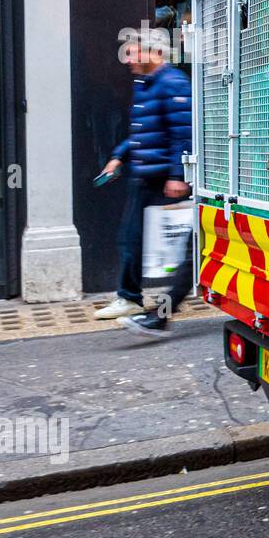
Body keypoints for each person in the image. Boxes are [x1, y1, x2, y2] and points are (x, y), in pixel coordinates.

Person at [93, 33, 193, 337]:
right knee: (131, 239)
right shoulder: (146, 84)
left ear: (154, 53)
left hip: (166, 180)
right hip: (146, 176)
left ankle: (160, 314)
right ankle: (130, 298)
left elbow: (183, 134)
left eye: (134, 53)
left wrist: (178, 175)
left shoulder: (173, 84)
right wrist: (119, 156)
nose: (129, 61)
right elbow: (142, 132)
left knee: (183, 252)